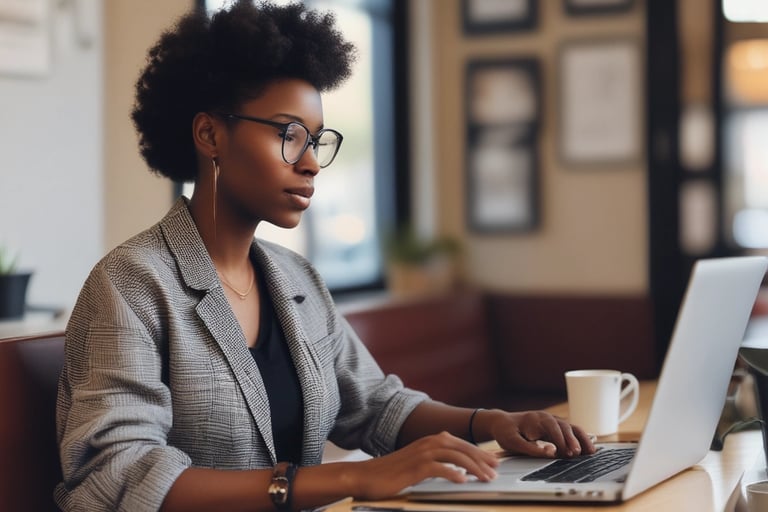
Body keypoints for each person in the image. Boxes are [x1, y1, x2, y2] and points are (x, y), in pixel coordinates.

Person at [54, 1, 595, 511]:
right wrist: (351, 478)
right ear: (209, 134)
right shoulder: (131, 284)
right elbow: (121, 473)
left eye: (316, 139)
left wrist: (492, 423)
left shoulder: (296, 278)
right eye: (290, 135)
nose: (311, 162)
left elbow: (376, 406)